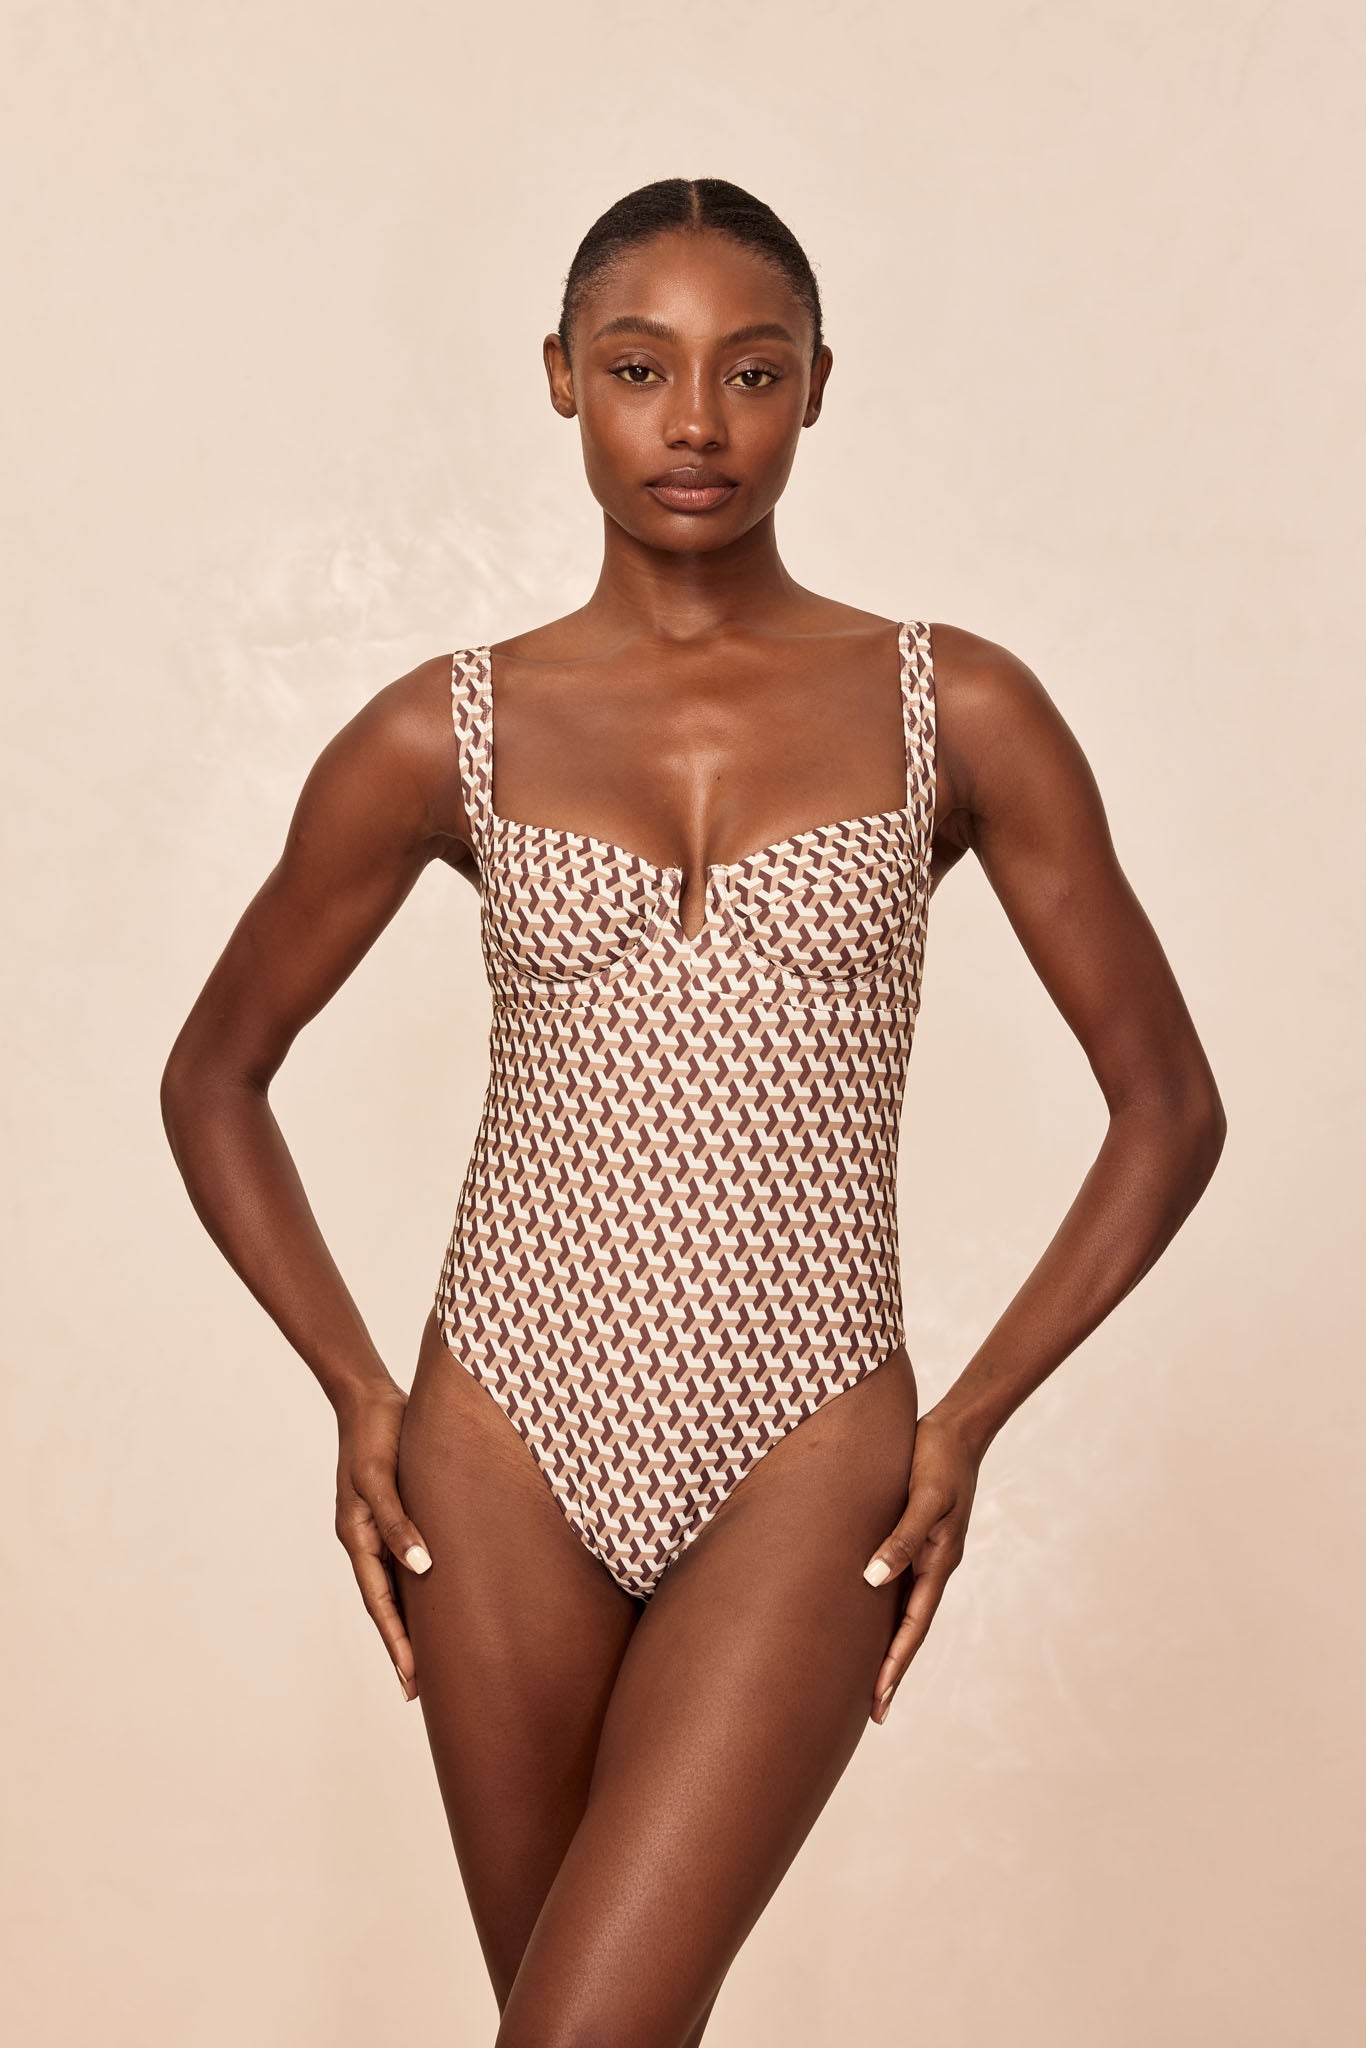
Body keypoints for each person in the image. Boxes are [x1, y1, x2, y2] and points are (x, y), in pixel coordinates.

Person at [160, 176, 1226, 2045]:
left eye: (752, 371)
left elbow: (1165, 1106)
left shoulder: (951, 706)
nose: (697, 423)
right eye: (643, 369)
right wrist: (353, 1384)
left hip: (810, 1432)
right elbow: (215, 1073)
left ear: (820, 388)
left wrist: (967, 1418)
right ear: (562, 377)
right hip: (498, 1423)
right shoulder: (443, 731)